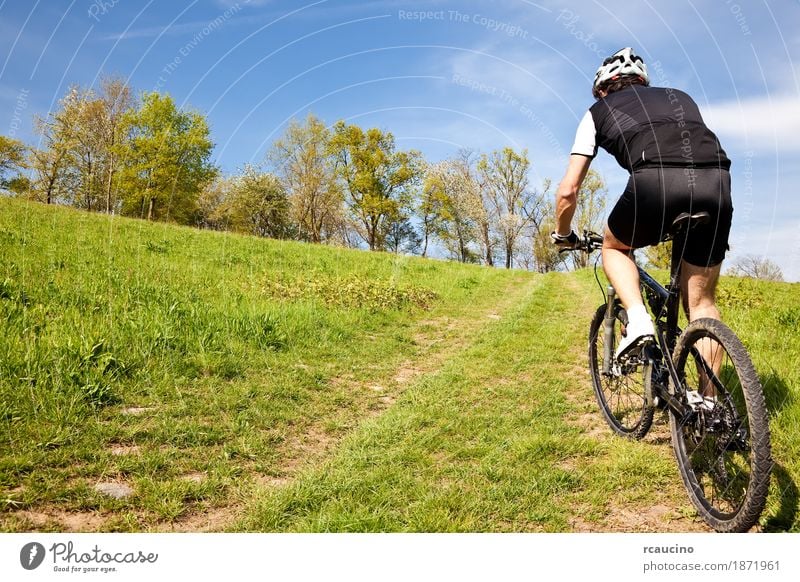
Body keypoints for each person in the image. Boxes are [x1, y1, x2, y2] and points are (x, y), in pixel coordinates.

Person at [551, 47, 733, 359]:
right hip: (716, 183)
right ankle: (710, 405)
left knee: (615, 248)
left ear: (603, 89)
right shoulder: (681, 98)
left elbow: (568, 190)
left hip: (656, 182)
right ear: (642, 82)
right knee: (702, 305)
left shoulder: (597, 111)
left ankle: (637, 320)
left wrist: (563, 235)